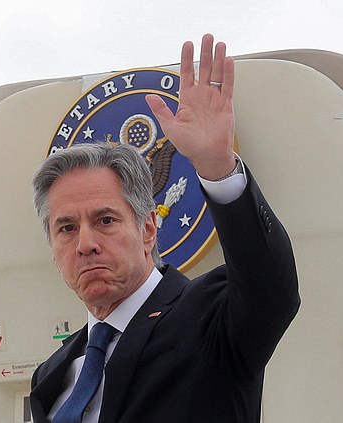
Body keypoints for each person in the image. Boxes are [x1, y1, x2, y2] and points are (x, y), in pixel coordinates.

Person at [29, 34, 300, 423]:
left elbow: (271, 289)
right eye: (66, 228)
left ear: (148, 231)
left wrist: (218, 168)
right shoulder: (51, 374)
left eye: (105, 220)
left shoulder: (210, 321)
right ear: (53, 250)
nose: (85, 243)